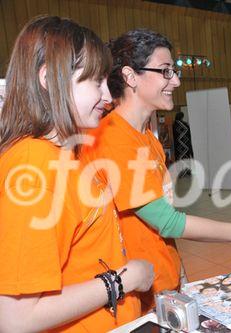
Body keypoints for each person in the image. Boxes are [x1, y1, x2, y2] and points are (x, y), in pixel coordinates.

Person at [82, 29, 231, 313]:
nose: (175, 80)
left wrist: (179, 273)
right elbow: (167, 221)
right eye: (165, 71)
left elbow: (161, 228)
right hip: (134, 294)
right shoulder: (114, 138)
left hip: (162, 281)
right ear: (130, 77)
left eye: (174, 71)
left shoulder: (146, 137)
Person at [0, 16, 154, 332]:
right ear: (48, 78)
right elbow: (15, 319)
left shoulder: (70, 151)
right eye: (95, 82)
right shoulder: (35, 165)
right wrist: (124, 279)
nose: (108, 98)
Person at [173, 111, 193, 177]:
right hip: (186, 146)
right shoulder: (186, 125)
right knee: (186, 159)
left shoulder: (174, 125)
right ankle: (187, 172)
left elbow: (173, 136)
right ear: (182, 117)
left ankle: (181, 173)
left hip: (178, 146)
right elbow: (189, 136)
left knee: (179, 159)